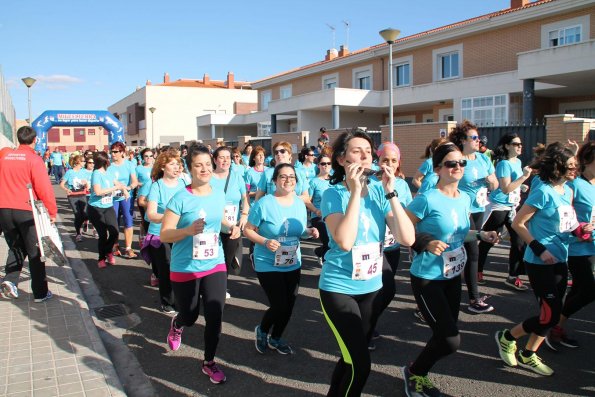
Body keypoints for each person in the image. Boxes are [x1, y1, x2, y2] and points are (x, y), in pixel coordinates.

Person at [319, 129, 414, 396]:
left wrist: (391, 193)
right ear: (341, 159)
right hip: (339, 289)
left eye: (369, 152)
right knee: (361, 365)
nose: (365, 156)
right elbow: (345, 241)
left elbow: (407, 238)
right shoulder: (332, 194)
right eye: (356, 151)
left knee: (351, 357)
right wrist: (354, 193)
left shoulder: (379, 194)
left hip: (372, 288)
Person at [402, 142, 499, 396]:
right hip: (427, 277)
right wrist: (425, 242)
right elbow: (402, 229)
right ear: (438, 169)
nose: (458, 167)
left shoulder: (464, 198)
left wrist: (481, 234)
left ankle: (417, 372)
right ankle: (414, 373)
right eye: (451, 163)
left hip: (452, 275)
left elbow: (460, 233)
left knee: (446, 332)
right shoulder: (427, 198)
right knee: (449, 339)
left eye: (461, 163)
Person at [160, 144, 240, 384]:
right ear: (190, 168)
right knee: (191, 315)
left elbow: (220, 222)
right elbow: (165, 234)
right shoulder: (181, 198)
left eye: (207, 164)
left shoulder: (218, 193)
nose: (204, 169)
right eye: (199, 165)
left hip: (214, 262)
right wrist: (186, 230)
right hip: (185, 266)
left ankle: (209, 362)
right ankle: (179, 322)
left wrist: (232, 227)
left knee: (215, 314)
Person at [496, 142, 579, 376]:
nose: (575, 170)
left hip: (560, 258)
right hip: (538, 261)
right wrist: (540, 248)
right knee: (550, 315)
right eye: (570, 166)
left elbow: (565, 222)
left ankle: (528, 354)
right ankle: (507, 337)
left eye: (575, 165)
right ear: (557, 168)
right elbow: (518, 224)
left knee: (552, 313)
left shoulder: (568, 190)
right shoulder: (542, 191)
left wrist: (580, 229)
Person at [244, 163, 319, 355]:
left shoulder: (299, 203)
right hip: (267, 263)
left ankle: (276, 337)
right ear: (275, 180)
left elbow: (299, 231)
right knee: (279, 305)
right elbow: (248, 230)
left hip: (293, 262)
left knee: (289, 306)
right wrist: (265, 241)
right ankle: (262, 330)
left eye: (292, 177)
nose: (288, 180)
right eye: (283, 176)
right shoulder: (264, 203)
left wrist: (310, 232)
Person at [545, 141, 594, 351]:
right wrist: (579, 231)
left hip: (593, 248)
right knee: (590, 291)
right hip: (576, 247)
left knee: (580, 291)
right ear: (588, 160)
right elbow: (561, 216)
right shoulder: (575, 185)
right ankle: (554, 323)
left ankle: (556, 328)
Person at [0, 126, 57, 302]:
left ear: (18, 139)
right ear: (35, 140)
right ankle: (40, 293)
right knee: (35, 251)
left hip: (4, 209)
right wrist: (51, 212)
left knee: (16, 247)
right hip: (26, 210)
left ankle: (10, 281)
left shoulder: (4, 158)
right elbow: (44, 188)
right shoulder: (33, 159)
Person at [449, 121, 498, 313]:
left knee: (464, 251)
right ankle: (474, 299)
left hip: (480, 209)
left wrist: (490, 182)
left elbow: (494, 185)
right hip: (463, 210)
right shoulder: (457, 159)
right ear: (463, 140)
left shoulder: (483, 159)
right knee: (473, 252)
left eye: (479, 138)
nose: (479, 141)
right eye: (474, 138)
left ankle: (449, 289)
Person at [370, 142, 412, 349]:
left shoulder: (402, 185)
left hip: (393, 246)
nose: (389, 164)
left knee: (385, 290)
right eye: (384, 160)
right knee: (386, 289)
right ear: (377, 161)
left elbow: (407, 215)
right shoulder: (367, 182)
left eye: (393, 161)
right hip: (373, 247)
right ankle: (365, 326)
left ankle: (368, 322)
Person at [143, 148, 186, 313]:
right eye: (172, 164)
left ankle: (182, 299)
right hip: (161, 234)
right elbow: (151, 214)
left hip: (182, 233)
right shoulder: (157, 187)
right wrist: (170, 217)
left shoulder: (183, 184)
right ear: (162, 167)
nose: (177, 167)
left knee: (182, 266)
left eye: (178, 164)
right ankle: (167, 302)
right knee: (167, 268)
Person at [211, 146, 250, 296]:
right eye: (221, 157)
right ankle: (209, 286)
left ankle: (221, 286)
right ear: (215, 160)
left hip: (232, 227)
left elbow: (245, 198)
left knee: (227, 258)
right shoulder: (208, 178)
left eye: (228, 157)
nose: (225, 160)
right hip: (212, 226)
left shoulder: (236, 177)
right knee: (212, 256)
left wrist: (245, 214)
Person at [88, 151, 129, 269]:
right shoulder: (96, 173)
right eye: (108, 160)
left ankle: (108, 251)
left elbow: (118, 183)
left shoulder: (109, 172)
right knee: (102, 234)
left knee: (115, 231)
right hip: (96, 208)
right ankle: (101, 258)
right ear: (105, 162)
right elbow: (98, 192)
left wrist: (125, 190)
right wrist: (115, 188)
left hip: (108, 207)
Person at [107, 142, 139, 258]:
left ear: (122, 153)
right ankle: (115, 245)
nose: (113, 154)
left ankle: (128, 248)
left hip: (126, 197)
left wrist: (129, 188)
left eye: (115, 152)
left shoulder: (129, 165)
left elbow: (134, 181)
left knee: (128, 221)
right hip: (113, 198)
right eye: (112, 151)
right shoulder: (108, 166)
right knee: (114, 222)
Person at [306, 153, 332, 264]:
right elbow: (307, 200)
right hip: (319, 217)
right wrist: (316, 211)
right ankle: (327, 268)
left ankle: (319, 251)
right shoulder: (313, 182)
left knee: (335, 242)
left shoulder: (335, 180)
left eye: (328, 163)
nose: (326, 165)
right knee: (328, 241)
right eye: (323, 163)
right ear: (318, 166)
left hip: (334, 216)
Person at [60, 154, 90, 242]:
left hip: (82, 194)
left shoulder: (84, 171)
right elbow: (62, 184)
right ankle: (78, 234)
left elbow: (87, 185)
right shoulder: (70, 172)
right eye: (83, 161)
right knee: (77, 214)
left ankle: (85, 222)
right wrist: (66, 189)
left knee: (84, 214)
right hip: (72, 195)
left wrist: (86, 185)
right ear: (78, 162)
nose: (84, 163)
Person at [136, 148, 155, 241]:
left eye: (151, 156)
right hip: (143, 197)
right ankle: (144, 237)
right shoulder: (139, 168)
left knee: (154, 219)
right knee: (146, 219)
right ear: (142, 157)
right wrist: (143, 184)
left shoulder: (156, 167)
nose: (148, 158)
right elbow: (134, 182)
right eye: (146, 156)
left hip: (154, 196)